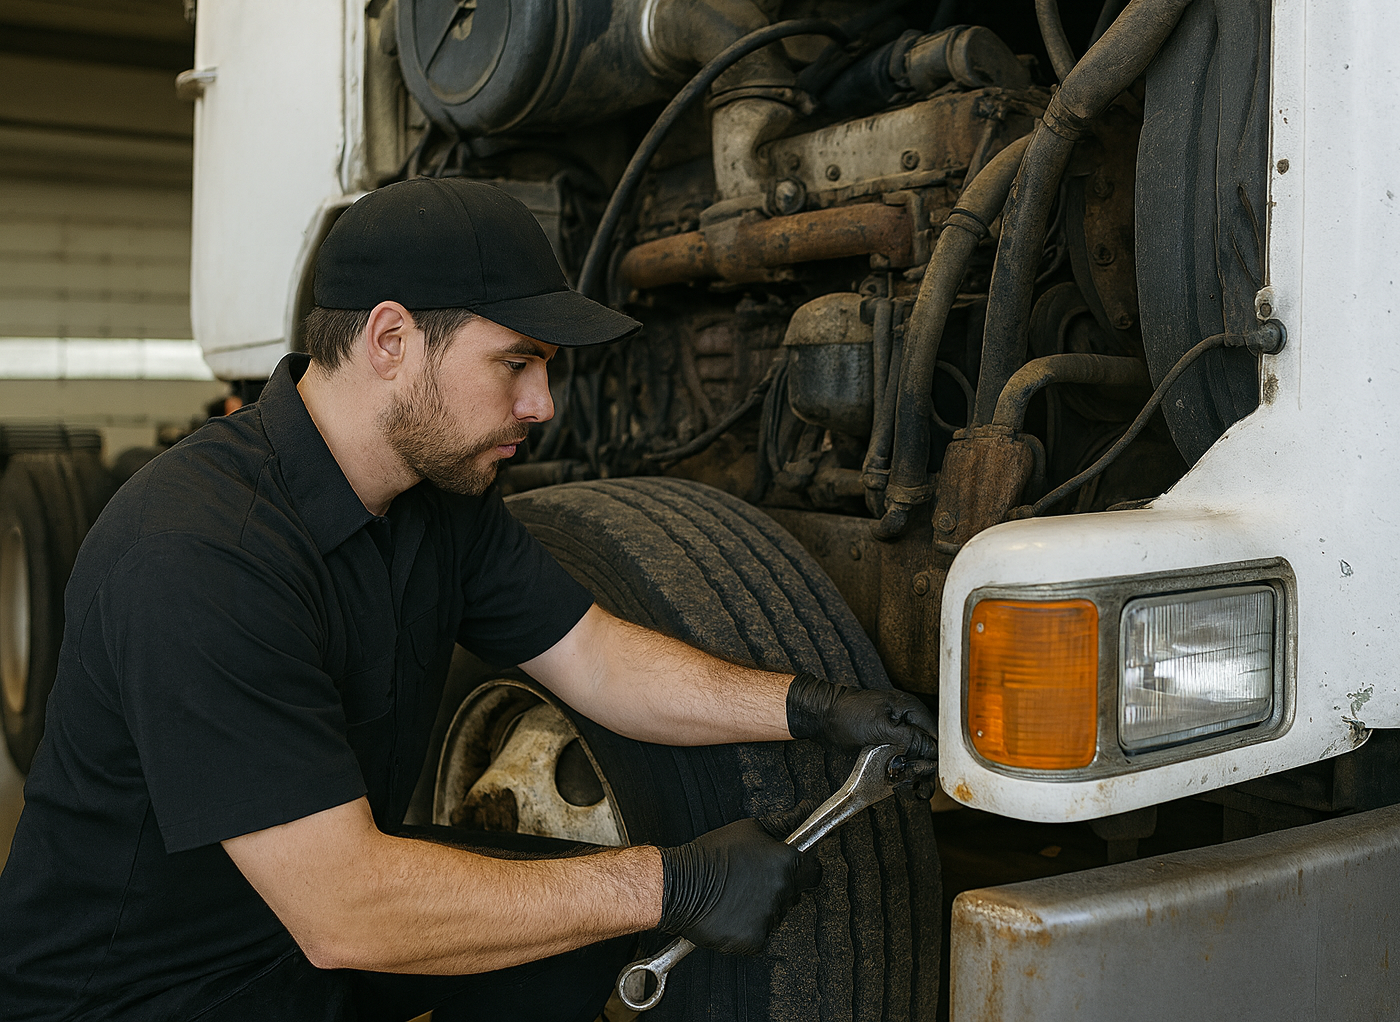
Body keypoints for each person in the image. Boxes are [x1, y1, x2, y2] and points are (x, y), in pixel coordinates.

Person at [0, 178, 937, 1022]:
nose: (542, 406)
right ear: (393, 339)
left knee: (595, 932)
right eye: (514, 363)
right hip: (145, 994)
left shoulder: (438, 500)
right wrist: (671, 881)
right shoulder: (200, 554)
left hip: (293, 955)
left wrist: (813, 708)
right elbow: (344, 909)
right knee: (621, 905)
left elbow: (598, 660)